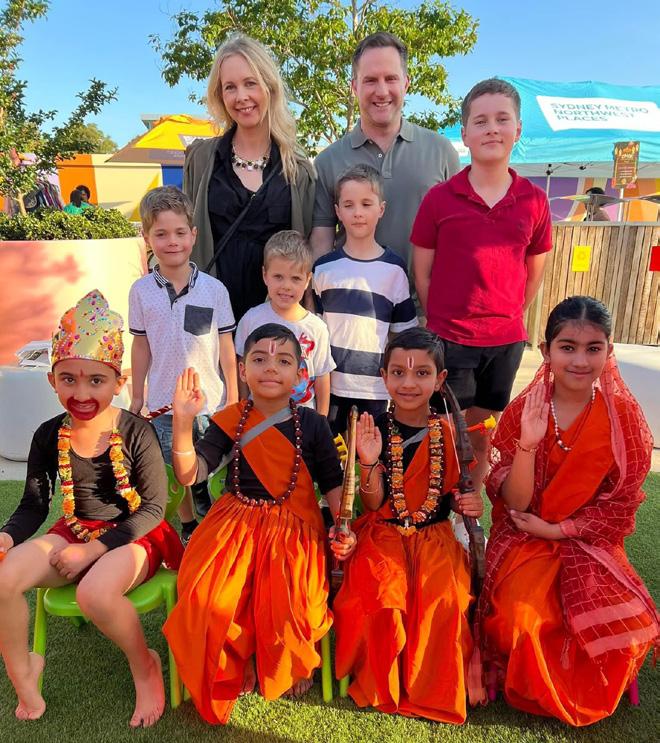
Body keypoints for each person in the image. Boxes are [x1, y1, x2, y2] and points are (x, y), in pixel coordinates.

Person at [471, 296, 658, 725]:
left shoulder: (623, 418)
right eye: (567, 347)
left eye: (593, 348)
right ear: (546, 350)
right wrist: (528, 444)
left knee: (624, 628)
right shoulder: (526, 409)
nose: (580, 360)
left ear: (609, 352)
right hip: (524, 538)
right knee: (523, 620)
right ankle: (539, 688)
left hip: (590, 541)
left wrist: (560, 530)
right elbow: (515, 504)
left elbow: (621, 506)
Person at [0, 291, 183, 727]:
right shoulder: (49, 434)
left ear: (118, 383)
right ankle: (24, 674)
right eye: (69, 379)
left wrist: (94, 551)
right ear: (52, 380)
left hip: (135, 535)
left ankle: (145, 666)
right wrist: (6, 536)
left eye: (96, 381)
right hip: (75, 530)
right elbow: (34, 504)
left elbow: (153, 509)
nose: (81, 393)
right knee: (4, 577)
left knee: (94, 593)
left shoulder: (135, 432)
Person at [162, 324, 356, 725]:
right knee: (208, 595)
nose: (270, 367)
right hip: (234, 523)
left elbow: (333, 486)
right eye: (259, 359)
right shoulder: (229, 419)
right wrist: (182, 422)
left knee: (293, 597)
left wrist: (344, 528)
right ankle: (243, 656)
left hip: (294, 526)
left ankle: (283, 658)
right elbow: (191, 474)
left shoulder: (314, 425)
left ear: (300, 375)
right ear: (242, 368)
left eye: (283, 360)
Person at [411, 77, 553, 504]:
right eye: (481, 121)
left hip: (504, 342)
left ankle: (468, 513)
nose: (492, 128)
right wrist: (444, 322)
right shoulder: (440, 199)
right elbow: (423, 273)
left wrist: (507, 316)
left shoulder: (534, 201)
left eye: (502, 119)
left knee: (482, 433)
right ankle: (437, 507)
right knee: (444, 431)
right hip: (450, 338)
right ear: (466, 133)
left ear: (518, 130)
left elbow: (534, 271)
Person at [333, 327, 483, 722]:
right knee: (384, 597)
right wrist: (368, 461)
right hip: (382, 534)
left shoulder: (450, 434)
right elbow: (372, 504)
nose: (409, 383)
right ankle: (384, 683)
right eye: (398, 372)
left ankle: (429, 688)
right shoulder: (371, 429)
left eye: (421, 373)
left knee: (445, 599)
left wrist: (469, 502)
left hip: (435, 538)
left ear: (440, 379)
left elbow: (459, 494)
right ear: (383, 376)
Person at [129, 186, 238, 541]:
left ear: (193, 235)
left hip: (209, 401)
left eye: (179, 232)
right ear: (147, 238)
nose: (172, 241)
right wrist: (137, 395)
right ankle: (189, 523)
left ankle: (215, 520)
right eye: (161, 234)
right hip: (163, 402)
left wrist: (233, 395)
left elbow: (225, 346)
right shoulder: (141, 291)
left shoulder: (214, 289)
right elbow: (141, 345)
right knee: (176, 468)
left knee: (210, 466)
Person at [183, 33, 316, 324]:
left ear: (269, 87)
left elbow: (307, 249)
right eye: (230, 87)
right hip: (210, 318)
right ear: (220, 95)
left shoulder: (298, 169)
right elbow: (185, 239)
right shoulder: (201, 160)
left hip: (275, 325)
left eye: (250, 83)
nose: (241, 96)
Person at [310, 31, 459, 269]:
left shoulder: (441, 152)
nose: (381, 91)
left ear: (406, 83)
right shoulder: (328, 161)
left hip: (425, 294)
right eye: (370, 80)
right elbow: (321, 242)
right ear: (354, 87)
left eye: (390, 79)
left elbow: (456, 237)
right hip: (349, 294)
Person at [312, 164, 418, 435]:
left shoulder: (394, 270)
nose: (357, 212)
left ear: (381, 209)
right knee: (331, 456)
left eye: (366, 204)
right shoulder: (323, 269)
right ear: (337, 211)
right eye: (349, 205)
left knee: (371, 455)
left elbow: (403, 336)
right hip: (329, 386)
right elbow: (312, 331)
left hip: (374, 390)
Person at [234, 230, 335, 415]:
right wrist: (243, 409)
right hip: (257, 416)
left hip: (302, 420)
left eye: (295, 278)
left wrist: (321, 420)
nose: (286, 286)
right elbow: (241, 366)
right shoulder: (251, 319)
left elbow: (322, 375)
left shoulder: (317, 327)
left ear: (307, 280)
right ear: (265, 275)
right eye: (278, 277)